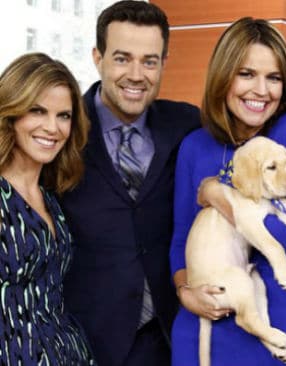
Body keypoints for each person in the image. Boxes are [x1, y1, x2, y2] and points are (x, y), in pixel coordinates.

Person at [169, 17, 286, 365]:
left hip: (281, 334)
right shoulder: (194, 146)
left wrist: (220, 197)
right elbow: (180, 240)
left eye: (274, 78)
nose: (261, 90)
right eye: (246, 74)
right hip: (202, 333)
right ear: (224, 76)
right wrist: (186, 294)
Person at [58, 1, 200, 365]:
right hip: (85, 343)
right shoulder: (61, 130)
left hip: (169, 341)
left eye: (149, 61)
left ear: (163, 63)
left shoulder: (186, 124)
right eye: (122, 58)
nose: (137, 74)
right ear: (97, 57)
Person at [0, 53, 94, 365]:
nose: (52, 128)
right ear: (11, 113)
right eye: (37, 111)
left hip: (69, 353)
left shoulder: (51, 197)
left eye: (64, 115)